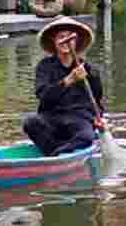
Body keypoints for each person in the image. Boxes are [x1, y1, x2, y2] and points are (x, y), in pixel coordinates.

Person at [23, 17, 106, 157]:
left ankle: (57, 154)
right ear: (54, 42)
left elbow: (97, 101)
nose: (66, 41)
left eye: (70, 38)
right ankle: (59, 152)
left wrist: (99, 119)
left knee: (86, 138)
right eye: (61, 37)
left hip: (79, 118)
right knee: (30, 122)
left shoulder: (90, 70)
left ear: (76, 42)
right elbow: (44, 97)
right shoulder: (45, 67)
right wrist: (68, 80)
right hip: (52, 117)